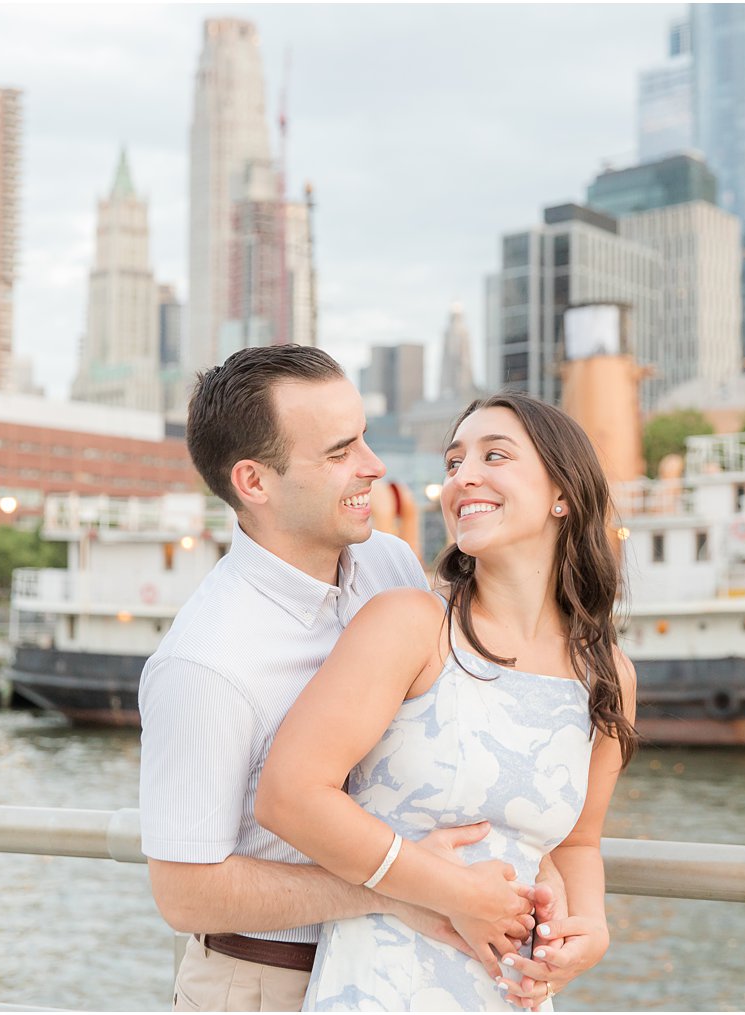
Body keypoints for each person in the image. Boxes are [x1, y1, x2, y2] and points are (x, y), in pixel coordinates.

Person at [139, 347, 548, 1012]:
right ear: (253, 481)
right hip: (270, 985)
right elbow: (185, 893)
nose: (373, 464)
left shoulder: (389, 564)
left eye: (363, 435)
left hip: (409, 971)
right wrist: (398, 887)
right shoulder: (205, 662)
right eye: (340, 451)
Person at [257, 392, 638, 1011]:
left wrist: (590, 929)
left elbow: (576, 842)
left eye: (495, 456)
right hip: (383, 986)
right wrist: (454, 892)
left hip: (511, 995)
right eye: (454, 462)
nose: (464, 478)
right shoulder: (410, 625)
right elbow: (288, 795)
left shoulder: (607, 674)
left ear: (562, 494)